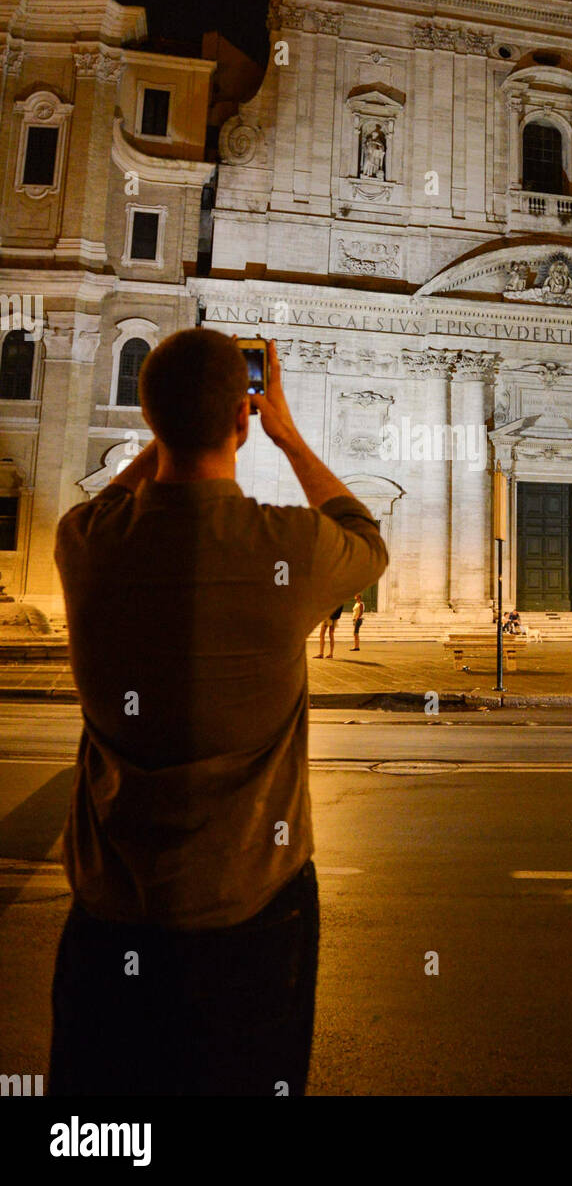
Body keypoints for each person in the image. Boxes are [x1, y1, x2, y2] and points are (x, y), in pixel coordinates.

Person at [49, 331, 387, 1097]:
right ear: (243, 417)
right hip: (251, 914)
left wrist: (169, 428)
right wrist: (288, 434)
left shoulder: (85, 543)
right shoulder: (290, 546)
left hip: (110, 917)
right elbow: (366, 535)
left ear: (148, 416)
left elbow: (109, 499)